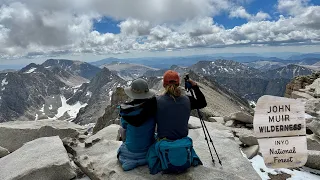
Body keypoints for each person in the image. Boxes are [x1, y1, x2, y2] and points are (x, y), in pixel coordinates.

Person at [147, 70, 207, 174]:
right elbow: (202, 103)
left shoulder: (156, 101)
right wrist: (195, 86)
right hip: (182, 141)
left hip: (164, 141)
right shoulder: (188, 100)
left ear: (164, 84)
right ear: (179, 83)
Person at [117, 78, 157, 171]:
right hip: (148, 148)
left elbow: (124, 127)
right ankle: (144, 159)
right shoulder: (153, 107)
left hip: (131, 149)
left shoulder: (125, 111)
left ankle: (132, 161)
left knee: (122, 130)